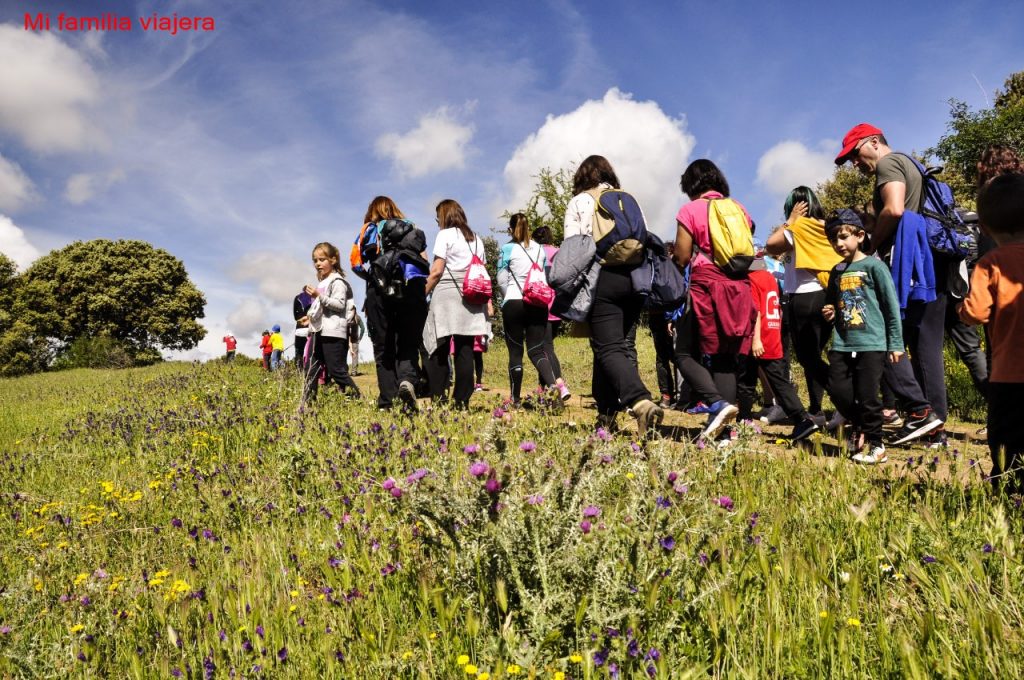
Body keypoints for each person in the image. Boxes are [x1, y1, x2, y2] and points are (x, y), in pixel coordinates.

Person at [835, 123, 944, 446]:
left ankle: (922, 416)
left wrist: (870, 243)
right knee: (925, 346)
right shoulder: (913, 164)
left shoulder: (888, 163)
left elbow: (895, 209)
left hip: (908, 263)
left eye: (855, 154)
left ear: (873, 142)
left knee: (882, 337)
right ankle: (932, 426)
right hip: (928, 261)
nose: (855, 163)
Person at [564, 155, 663, 436]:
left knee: (608, 348)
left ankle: (640, 400)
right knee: (608, 347)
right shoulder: (627, 198)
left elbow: (574, 248)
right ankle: (606, 417)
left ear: (582, 177)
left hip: (601, 279)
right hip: (633, 280)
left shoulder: (580, 201)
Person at [672, 159, 756, 443]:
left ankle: (715, 403)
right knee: (725, 360)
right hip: (739, 288)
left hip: (707, 287)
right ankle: (725, 435)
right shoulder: (739, 209)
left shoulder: (691, 209)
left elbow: (682, 255)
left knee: (683, 352)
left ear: (691, 185)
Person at [820, 209, 905, 464]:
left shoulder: (874, 266)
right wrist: (830, 311)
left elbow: (891, 306)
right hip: (843, 343)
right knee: (838, 390)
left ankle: (876, 445)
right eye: (833, 239)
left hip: (871, 342)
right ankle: (859, 426)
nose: (839, 244)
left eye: (844, 237)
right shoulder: (836, 271)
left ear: (859, 235)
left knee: (868, 395)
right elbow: (833, 304)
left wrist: (896, 343)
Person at [959, 173, 1024, 493]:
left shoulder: (990, 263)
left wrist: (961, 309)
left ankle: (1008, 493)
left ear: (983, 227)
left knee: (1005, 438)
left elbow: (975, 313)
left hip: (1008, 375)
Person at [765, 187, 841, 426]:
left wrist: (791, 220)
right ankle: (818, 409)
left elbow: (771, 245)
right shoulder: (826, 227)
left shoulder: (800, 227)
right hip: (827, 293)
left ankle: (846, 400)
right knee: (813, 356)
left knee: (808, 358)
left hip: (805, 297)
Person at [353, 196, 430, 411]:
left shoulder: (369, 229)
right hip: (411, 288)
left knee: (383, 346)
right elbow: (424, 260)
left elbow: (356, 263)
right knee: (408, 342)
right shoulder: (411, 226)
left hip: (379, 289)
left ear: (372, 211)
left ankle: (387, 401)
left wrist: (374, 276)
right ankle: (407, 381)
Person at [738, 257, 820, 441]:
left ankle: (802, 419)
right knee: (754, 377)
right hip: (773, 332)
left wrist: (756, 339)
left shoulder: (752, 279)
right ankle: (744, 418)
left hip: (760, 336)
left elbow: (755, 310)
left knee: (764, 380)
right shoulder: (769, 277)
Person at [422, 199, 491, 409]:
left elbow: (437, 271)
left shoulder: (445, 235)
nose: (437, 222)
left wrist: (421, 293)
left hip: (446, 293)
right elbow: (482, 271)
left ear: (444, 216)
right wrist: (488, 302)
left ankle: (439, 396)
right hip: (471, 295)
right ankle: (461, 401)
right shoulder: (477, 239)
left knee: (438, 348)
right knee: (465, 349)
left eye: (437, 218)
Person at [497, 213, 566, 405]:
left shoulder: (507, 249)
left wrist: (507, 298)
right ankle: (553, 386)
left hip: (514, 301)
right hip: (538, 303)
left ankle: (515, 398)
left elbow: (501, 280)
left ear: (511, 229)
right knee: (536, 350)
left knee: (515, 352)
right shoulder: (539, 249)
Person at [303, 242, 361, 402]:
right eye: (315, 260)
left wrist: (318, 296)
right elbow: (321, 307)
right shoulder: (322, 282)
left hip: (333, 333)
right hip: (318, 332)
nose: (317, 263)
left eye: (322, 259)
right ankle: (307, 404)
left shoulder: (338, 281)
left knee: (336, 370)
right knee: (310, 369)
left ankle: (356, 398)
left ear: (333, 260)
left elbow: (339, 305)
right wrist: (309, 316)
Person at [531, 225, 568, 397]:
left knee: (545, 347)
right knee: (545, 347)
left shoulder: (533, 252)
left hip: (540, 304)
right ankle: (543, 387)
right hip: (557, 306)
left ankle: (560, 385)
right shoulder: (559, 252)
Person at [293, 290, 313, 368]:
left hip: (300, 326)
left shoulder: (297, 298)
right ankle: (309, 368)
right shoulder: (313, 298)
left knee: (299, 350)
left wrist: (299, 318)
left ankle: (299, 369)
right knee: (310, 350)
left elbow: (295, 315)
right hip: (310, 326)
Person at [348, 310, 365, 376]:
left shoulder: (347, 316)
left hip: (346, 338)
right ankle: (354, 372)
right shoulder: (358, 317)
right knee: (355, 356)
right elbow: (363, 328)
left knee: (343, 355)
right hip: (355, 339)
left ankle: (343, 372)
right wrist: (360, 338)